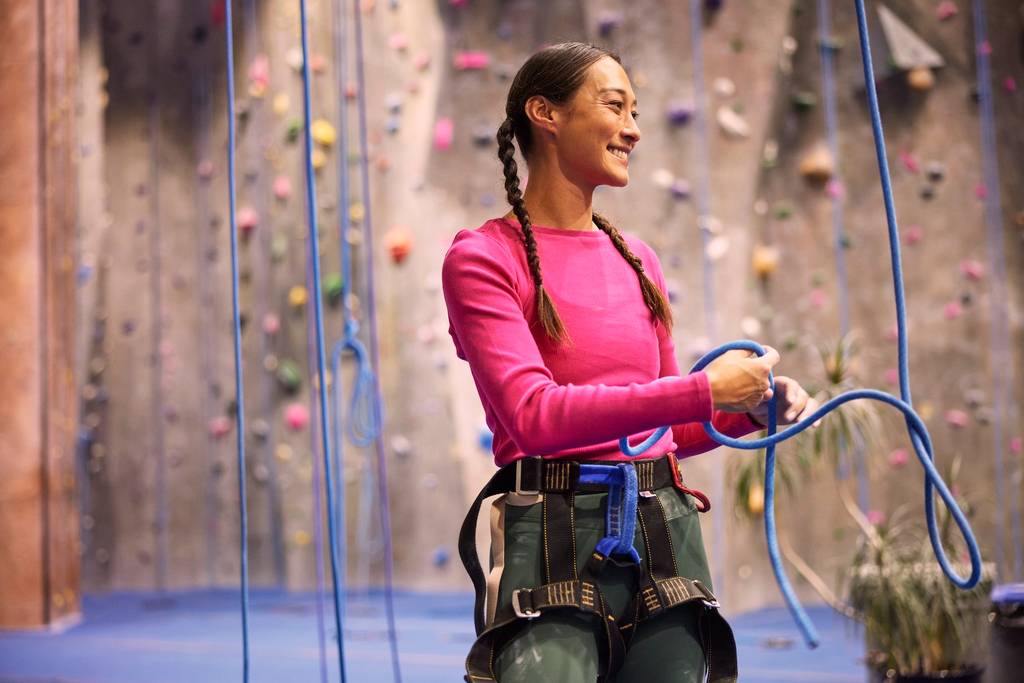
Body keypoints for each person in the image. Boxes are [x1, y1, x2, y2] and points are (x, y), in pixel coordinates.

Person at [442, 42, 821, 683]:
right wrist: (703, 393)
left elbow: (660, 435)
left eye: (636, 111)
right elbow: (535, 416)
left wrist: (750, 411)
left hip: (663, 534)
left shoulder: (638, 258)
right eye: (614, 106)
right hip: (552, 541)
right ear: (546, 113)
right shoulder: (483, 258)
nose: (633, 129)